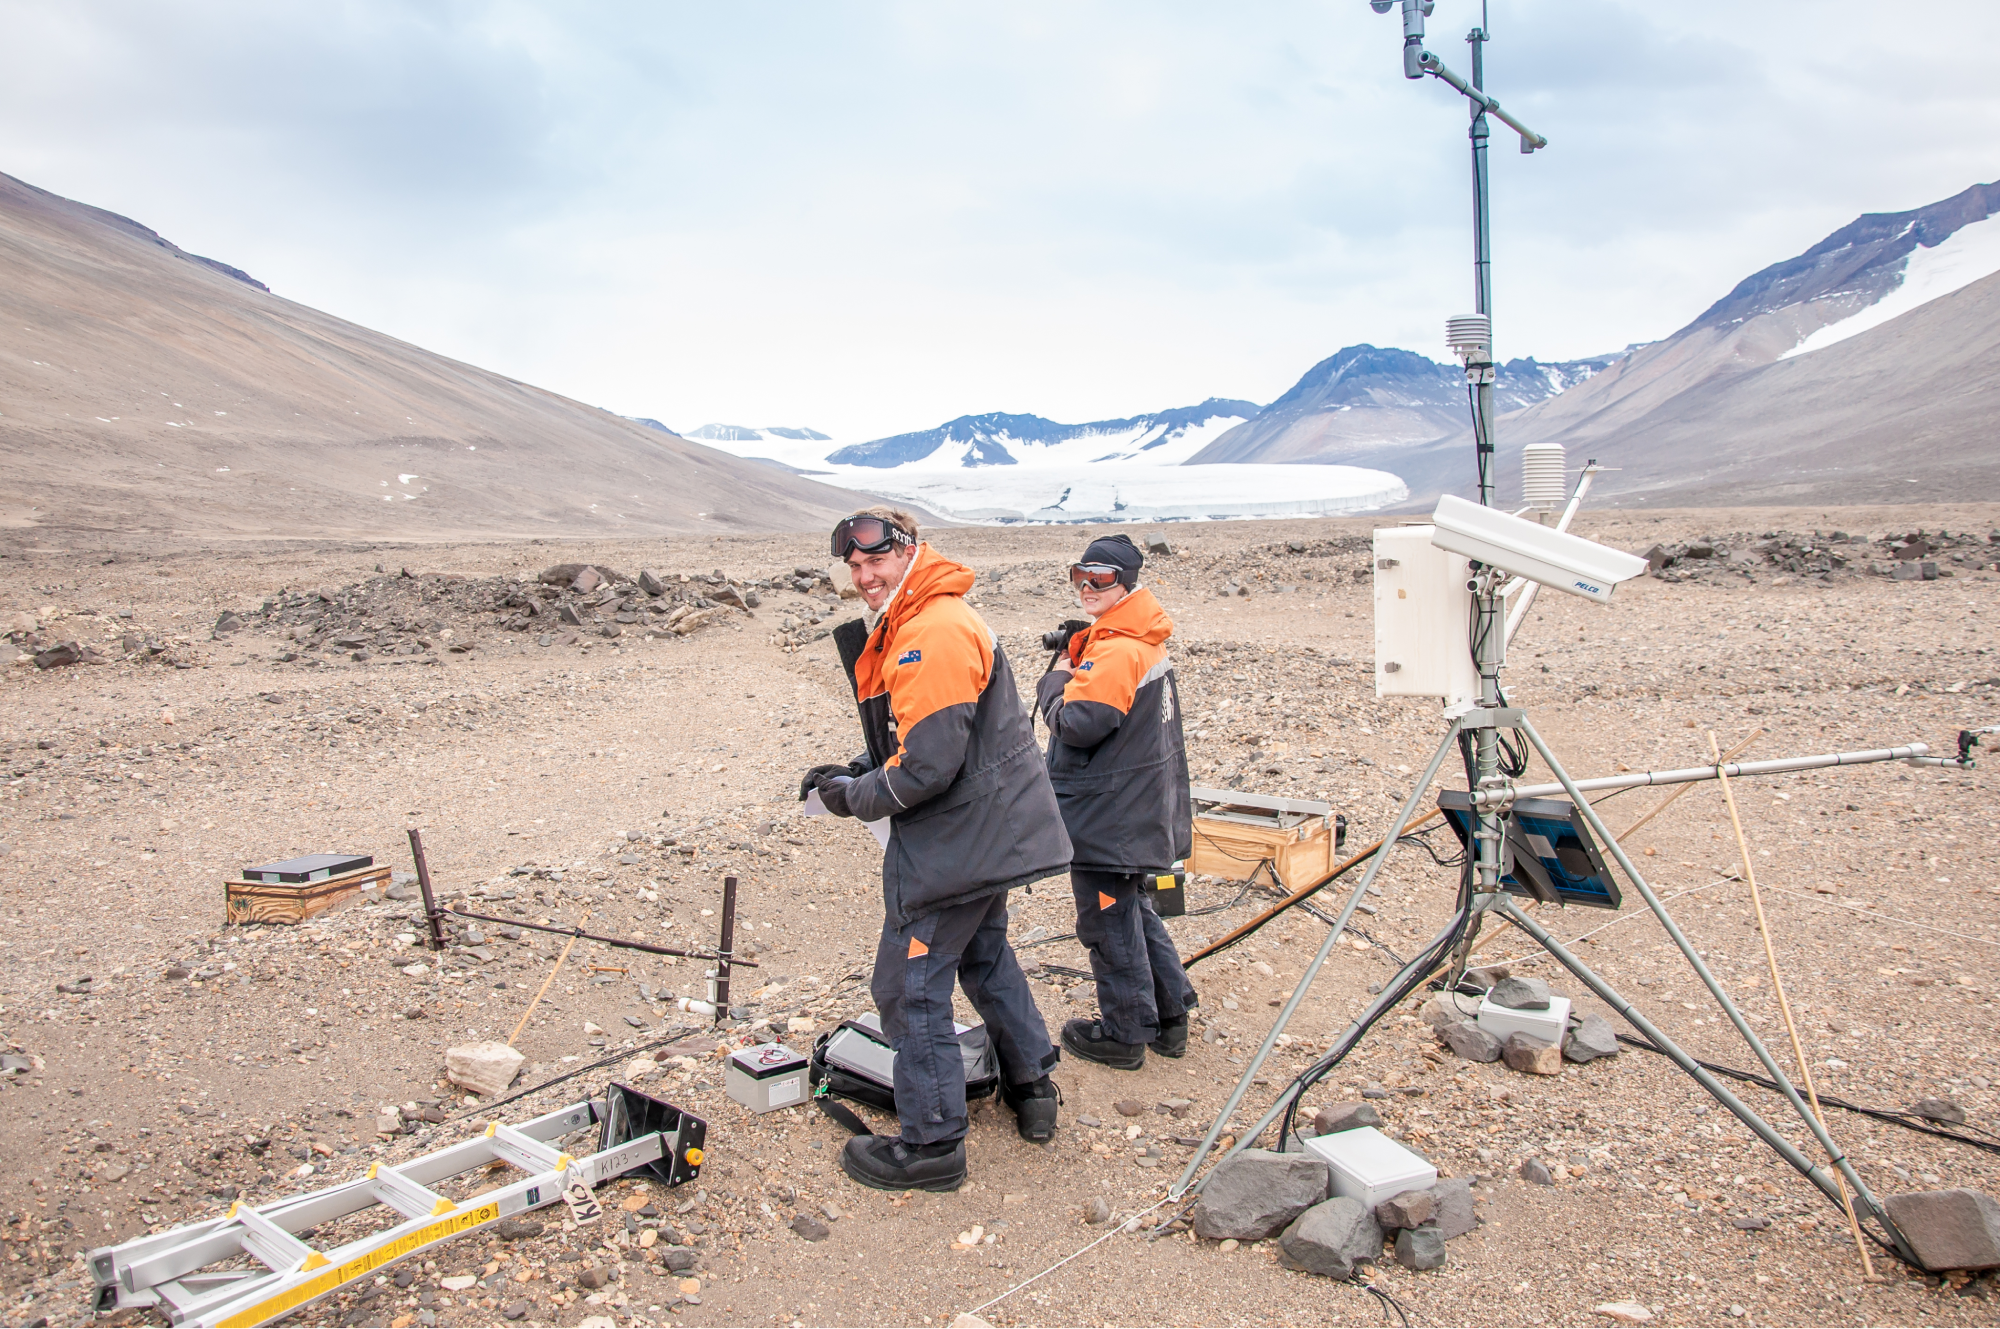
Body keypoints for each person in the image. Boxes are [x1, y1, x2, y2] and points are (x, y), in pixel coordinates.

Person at [800, 507, 1070, 1193]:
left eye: (876, 561)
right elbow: (924, 736)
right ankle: (1031, 1083)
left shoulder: (932, 629)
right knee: (983, 956)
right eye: (855, 566)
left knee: (907, 985)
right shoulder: (930, 616)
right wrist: (857, 770)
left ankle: (933, 1143)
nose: (864, 576)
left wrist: (849, 797)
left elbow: (928, 766)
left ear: (911, 551)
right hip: (986, 833)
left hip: (957, 843)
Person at [1036, 533, 1197, 1071]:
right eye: (1079, 575)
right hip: (1135, 804)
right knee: (1132, 909)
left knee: (1107, 920)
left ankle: (1125, 1033)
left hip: (1109, 813)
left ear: (1126, 581)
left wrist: (1056, 679)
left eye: (1100, 577)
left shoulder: (1119, 647)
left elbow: (1080, 723)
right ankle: (1170, 1016)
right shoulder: (1142, 640)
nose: (1087, 586)